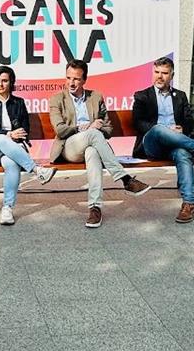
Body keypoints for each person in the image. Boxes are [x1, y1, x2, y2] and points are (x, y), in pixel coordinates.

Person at [48, 59, 151, 228]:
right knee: (93, 134)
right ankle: (125, 179)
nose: (71, 83)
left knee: (92, 152)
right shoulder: (57, 99)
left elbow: (108, 130)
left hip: (92, 145)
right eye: (68, 78)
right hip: (69, 147)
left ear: (84, 80)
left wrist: (95, 129)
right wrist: (87, 127)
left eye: (76, 79)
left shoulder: (95, 97)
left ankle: (95, 207)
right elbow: (60, 130)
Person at [131, 56, 194, 223]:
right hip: (152, 144)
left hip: (175, 144)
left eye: (164, 73)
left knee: (183, 153)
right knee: (158, 129)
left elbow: (189, 121)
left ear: (172, 75)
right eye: (156, 72)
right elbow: (138, 123)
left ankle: (189, 204)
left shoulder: (180, 96)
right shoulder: (142, 96)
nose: (159, 76)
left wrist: (182, 128)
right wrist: (165, 129)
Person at [0, 66, 56, 225]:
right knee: (1, 138)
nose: (0, 84)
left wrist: (15, 137)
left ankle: (7, 208)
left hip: (12, 150)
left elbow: (25, 129)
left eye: (5, 81)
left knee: (11, 163)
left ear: (11, 83)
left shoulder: (18, 102)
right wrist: (8, 134)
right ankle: (36, 170)